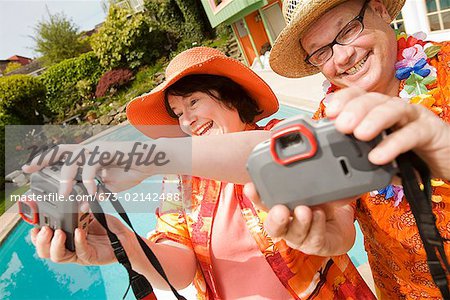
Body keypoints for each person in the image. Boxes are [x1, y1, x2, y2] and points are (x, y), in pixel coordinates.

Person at [26, 47, 375, 299]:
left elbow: (267, 151)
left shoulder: (282, 133)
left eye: (193, 102)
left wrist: (143, 158)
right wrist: (126, 243)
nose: (186, 120)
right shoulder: (181, 180)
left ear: (230, 97)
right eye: (178, 112)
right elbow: (182, 269)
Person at [263, 0, 450, 298]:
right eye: (321, 51)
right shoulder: (326, 123)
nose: (343, 56)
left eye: (348, 29)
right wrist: (328, 229)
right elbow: (339, 208)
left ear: (378, 9)